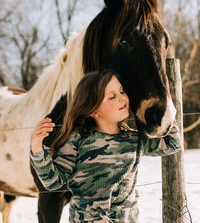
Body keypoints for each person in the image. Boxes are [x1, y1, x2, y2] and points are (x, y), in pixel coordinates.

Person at [30, 70, 181, 223]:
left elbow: (173, 144)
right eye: (112, 96)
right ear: (94, 110)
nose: (122, 97)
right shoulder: (77, 140)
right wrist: (37, 149)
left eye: (122, 91)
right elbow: (53, 182)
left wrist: (168, 112)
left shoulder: (135, 139)